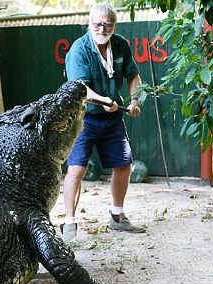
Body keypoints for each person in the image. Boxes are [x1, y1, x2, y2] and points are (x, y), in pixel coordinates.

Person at [61, 2, 146, 242]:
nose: (102, 28)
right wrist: (103, 100)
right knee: (76, 169)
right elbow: (80, 89)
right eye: (97, 24)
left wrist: (136, 100)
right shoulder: (79, 49)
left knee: (123, 165)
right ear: (90, 24)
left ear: (114, 25)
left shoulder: (120, 44)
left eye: (107, 24)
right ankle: (69, 223)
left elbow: (134, 76)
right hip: (83, 118)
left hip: (113, 116)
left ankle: (117, 216)